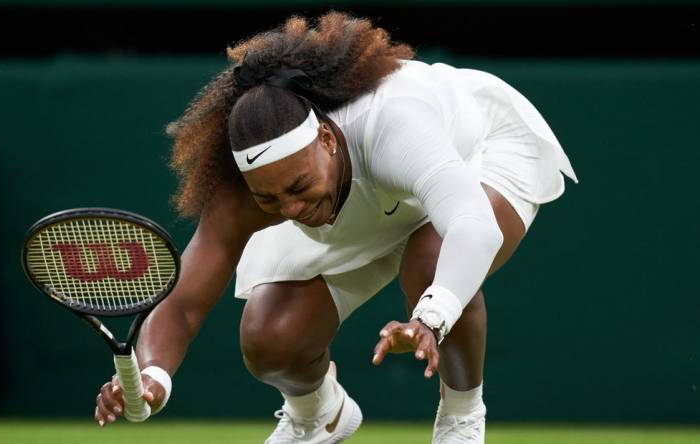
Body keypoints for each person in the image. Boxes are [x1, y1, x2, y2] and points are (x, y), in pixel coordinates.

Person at [93, 12, 577, 444]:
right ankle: (318, 417)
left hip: (479, 150)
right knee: (269, 338)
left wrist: (431, 317)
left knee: (433, 262)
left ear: (326, 138)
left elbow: (474, 225)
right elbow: (184, 304)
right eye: (271, 199)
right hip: (366, 197)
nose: (292, 208)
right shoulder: (254, 192)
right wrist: (154, 375)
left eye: (298, 187)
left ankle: (461, 421)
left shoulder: (395, 126)